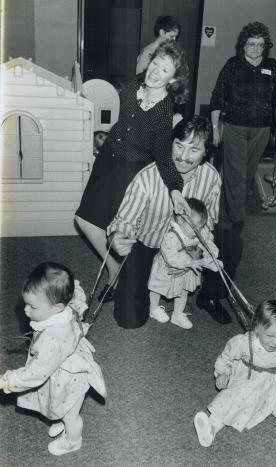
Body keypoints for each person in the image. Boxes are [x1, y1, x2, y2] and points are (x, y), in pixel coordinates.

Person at [75, 41, 190, 301]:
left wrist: (174, 188)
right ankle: (116, 269)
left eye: (164, 70)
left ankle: (119, 273)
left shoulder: (164, 112)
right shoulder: (133, 89)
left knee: (109, 224)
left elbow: (162, 153)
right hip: (108, 159)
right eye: (155, 64)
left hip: (131, 170)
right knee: (84, 219)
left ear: (172, 80)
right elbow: (123, 124)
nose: (155, 71)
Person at [107, 116, 243, 329]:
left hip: (188, 242)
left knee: (232, 243)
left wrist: (203, 252)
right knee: (129, 319)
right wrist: (116, 237)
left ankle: (208, 296)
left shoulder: (211, 178)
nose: (183, 156)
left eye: (194, 150)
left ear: (206, 152)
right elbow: (124, 220)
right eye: (179, 145)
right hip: (148, 245)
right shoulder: (147, 177)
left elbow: (209, 222)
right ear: (170, 143)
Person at [193, 299, 276, 465]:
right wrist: (222, 373)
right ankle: (211, 428)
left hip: (274, 386)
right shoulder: (244, 342)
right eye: (270, 336)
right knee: (229, 401)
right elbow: (226, 356)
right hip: (247, 380)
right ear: (256, 328)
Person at [0, 262, 106, 456]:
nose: (26, 310)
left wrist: (9, 380)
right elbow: (76, 294)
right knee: (56, 400)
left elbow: (37, 373)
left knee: (71, 416)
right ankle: (62, 417)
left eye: (32, 306)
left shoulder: (52, 339)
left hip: (70, 377)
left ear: (57, 307)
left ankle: (73, 440)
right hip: (63, 370)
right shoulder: (65, 307)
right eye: (26, 303)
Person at [210, 22, 276, 233]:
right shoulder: (232, 65)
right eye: (251, 44)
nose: (256, 49)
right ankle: (237, 220)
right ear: (243, 45)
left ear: (265, 46)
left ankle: (231, 204)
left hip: (262, 129)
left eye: (260, 44)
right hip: (234, 126)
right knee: (236, 172)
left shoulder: (271, 66)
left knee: (246, 173)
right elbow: (217, 97)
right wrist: (214, 127)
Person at [148, 197, 221, 330]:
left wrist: (212, 254)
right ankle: (153, 308)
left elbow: (206, 242)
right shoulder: (171, 236)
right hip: (168, 269)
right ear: (181, 219)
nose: (198, 230)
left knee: (184, 291)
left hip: (188, 269)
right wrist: (189, 262)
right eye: (196, 226)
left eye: (201, 226)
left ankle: (178, 314)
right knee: (157, 288)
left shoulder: (197, 230)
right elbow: (171, 258)